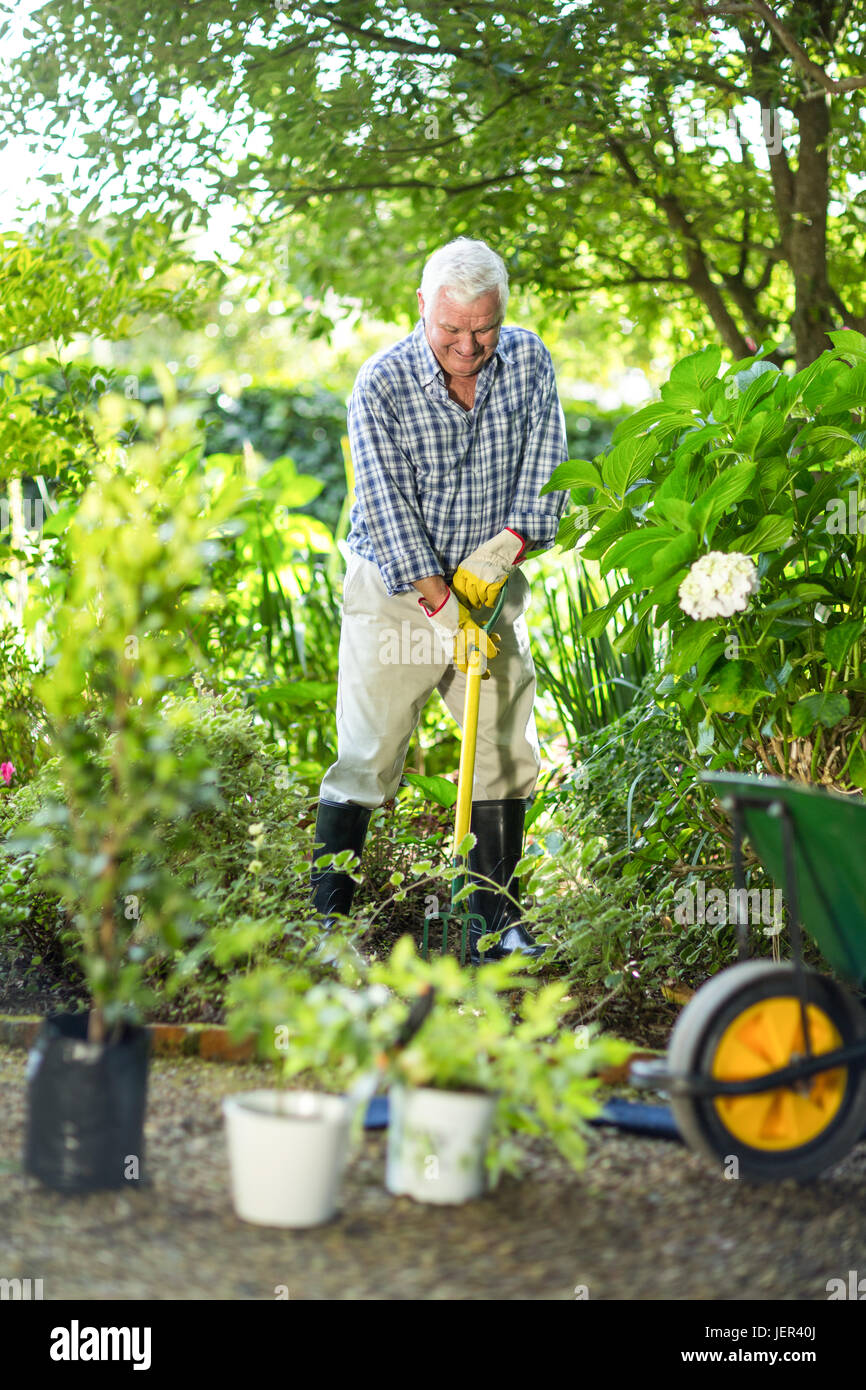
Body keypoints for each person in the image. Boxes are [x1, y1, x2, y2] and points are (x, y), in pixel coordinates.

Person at [311, 237, 570, 963]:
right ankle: (330, 929)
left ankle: (497, 924)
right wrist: (444, 609)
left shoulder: (528, 361)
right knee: (368, 754)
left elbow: (545, 476)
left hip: (489, 586)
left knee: (503, 750)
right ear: (422, 306)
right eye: (451, 328)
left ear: (502, 312)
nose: (468, 346)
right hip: (397, 593)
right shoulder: (381, 383)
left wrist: (501, 554)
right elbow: (388, 512)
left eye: (484, 329)